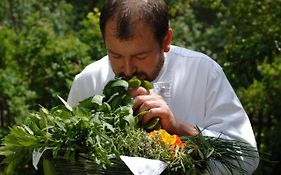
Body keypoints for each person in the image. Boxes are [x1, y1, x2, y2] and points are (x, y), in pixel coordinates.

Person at [67, 0, 259, 173]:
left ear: (166, 40)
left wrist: (178, 128)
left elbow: (246, 158)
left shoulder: (203, 72)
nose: (127, 69)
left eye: (140, 56)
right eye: (115, 56)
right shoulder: (89, 80)